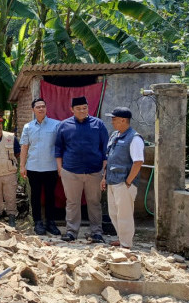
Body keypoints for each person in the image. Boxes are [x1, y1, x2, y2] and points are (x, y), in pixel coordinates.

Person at [55, 96, 109, 243]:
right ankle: (72, 232)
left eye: (84, 108)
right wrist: (60, 168)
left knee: (94, 202)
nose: (82, 111)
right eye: (78, 108)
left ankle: (97, 232)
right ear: (71, 109)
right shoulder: (64, 125)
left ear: (88, 108)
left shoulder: (98, 124)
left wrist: (104, 171)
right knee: (72, 202)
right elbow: (58, 149)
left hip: (95, 171)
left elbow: (105, 149)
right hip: (71, 171)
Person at [101, 107, 144, 249]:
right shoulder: (115, 135)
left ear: (123, 120)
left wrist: (128, 182)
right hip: (112, 180)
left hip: (124, 182)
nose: (112, 121)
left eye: (114, 119)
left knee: (124, 215)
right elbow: (109, 158)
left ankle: (126, 245)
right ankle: (121, 239)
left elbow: (138, 162)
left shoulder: (134, 138)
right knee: (114, 213)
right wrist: (104, 178)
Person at [20, 98, 61, 236]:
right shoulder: (28, 127)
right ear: (33, 110)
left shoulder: (56, 125)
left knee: (50, 196)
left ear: (46, 108)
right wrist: (22, 166)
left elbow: (61, 146)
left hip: (51, 167)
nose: (41, 109)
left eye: (43, 106)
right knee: (35, 196)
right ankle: (38, 222)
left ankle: (51, 222)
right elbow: (24, 147)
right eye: (38, 107)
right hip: (33, 167)